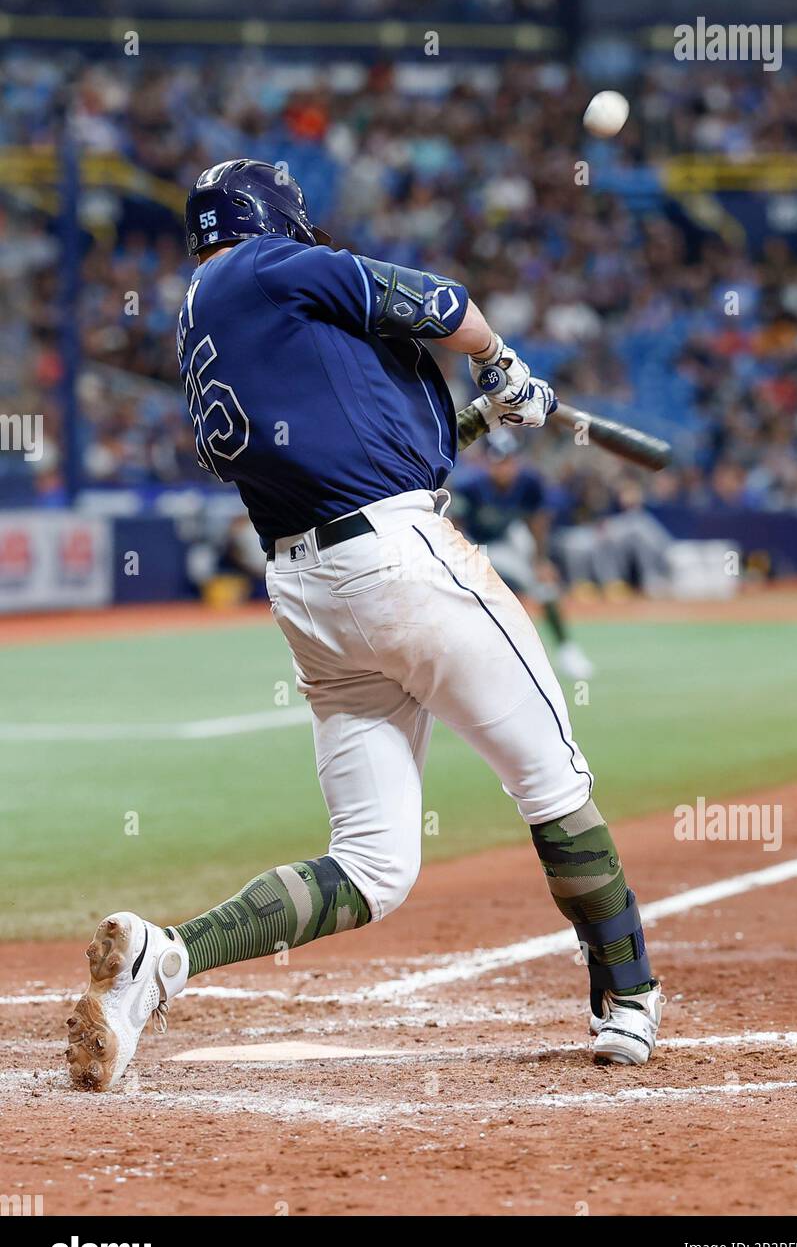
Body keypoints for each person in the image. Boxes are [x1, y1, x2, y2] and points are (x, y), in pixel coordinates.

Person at [65, 159, 662, 1093]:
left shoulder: (207, 315)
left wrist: (482, 418)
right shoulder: (267, 265)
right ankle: (628, 999)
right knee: (551, 777)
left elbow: (366, 443)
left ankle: (164, 958)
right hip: (400, 568)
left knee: (373, 864)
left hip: (316, 595)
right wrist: (502, 362)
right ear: (271, 220)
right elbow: (433, 298)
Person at [450, 430, 595, 680]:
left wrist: (540, 561)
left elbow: (538, 522)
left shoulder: (529, 481)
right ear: (486, 461)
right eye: (498, 461)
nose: (504, 467)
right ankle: (471, 657)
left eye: (508, 460)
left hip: (510, 539)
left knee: (545, 586)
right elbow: (454, 525)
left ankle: (566, 650)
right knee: (470, 596)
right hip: (475, 544)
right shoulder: (469, 485)